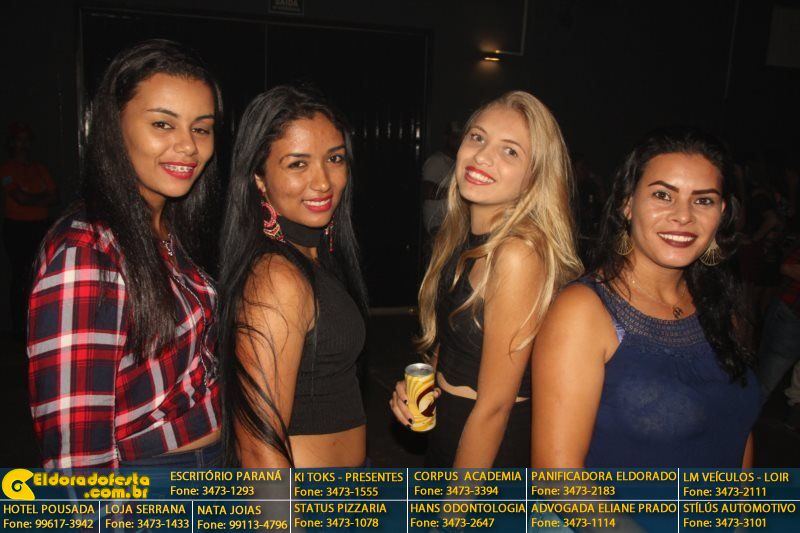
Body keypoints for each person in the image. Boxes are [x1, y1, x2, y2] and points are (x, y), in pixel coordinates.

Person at [27, 39, 223, 468]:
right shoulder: (87, 254)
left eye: (201, 128)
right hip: (152, 480)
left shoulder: (167, 227)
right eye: (163, 124)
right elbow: (77, 457)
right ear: (114, 127)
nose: (188, 147)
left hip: (205, 465)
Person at [532, 127, 759, 468]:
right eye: (663, 195)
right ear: (627, 203)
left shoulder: (720, 304)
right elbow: (558, 478)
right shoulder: (584, 311)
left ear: (722, 212)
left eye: (703, 200)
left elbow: (739, 431)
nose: (683, 215)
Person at [389, 91, 582, 467]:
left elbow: (495, 407)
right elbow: (456, 340)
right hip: (450, 431)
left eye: (510, 151)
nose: (481, 156)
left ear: (534, 177)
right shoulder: (462, 238)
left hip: (489, 453)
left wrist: (458, 500)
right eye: (477, 137)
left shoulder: (517, 255)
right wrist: (420, 387)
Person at [218, 85, 368, 468]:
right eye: (297, 164)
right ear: (259, 178)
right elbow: (258, 448)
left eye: (334, 158)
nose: (323, 182)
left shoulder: (314, 255)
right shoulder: (276, 277)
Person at [1, 121, 58, 342]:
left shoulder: (39, 169)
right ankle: (19, 330)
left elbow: (54, 196)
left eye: (26, 140)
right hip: (17, 229)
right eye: (19, 140)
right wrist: (39, 198)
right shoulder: (7, 169)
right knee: (21, 277)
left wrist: (33, 199)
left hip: (40, 227)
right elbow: (19, 198)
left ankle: (40, 326)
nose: (23, 145)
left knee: (40, 276)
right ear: (12, 143)